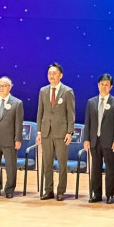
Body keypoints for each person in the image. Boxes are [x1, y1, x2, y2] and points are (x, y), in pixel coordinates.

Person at [36, 62, 76, 201]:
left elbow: (71, 114)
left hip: (61, 133)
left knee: (62, 163)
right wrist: (39, 132)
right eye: (49, 73)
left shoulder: (67, 91)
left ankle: (61, 191)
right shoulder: (43, 91)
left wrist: (70, 132)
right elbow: (40, 112)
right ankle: (48, 190)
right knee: (46, 163)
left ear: (61, 75)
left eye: (54, 73)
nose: (51, 76)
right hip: (46, 132)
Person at [83, 73, 114, 203]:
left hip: (109, 142)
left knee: (110, 168)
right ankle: (96, 194)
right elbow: (87, 122)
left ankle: (110, 195)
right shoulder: (91, 102)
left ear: (111, 87)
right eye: (102, 84)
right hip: (94, 141)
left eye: (107, 85)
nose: (104, 87)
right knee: (95, 169)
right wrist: (86, 139)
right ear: (98, 85)